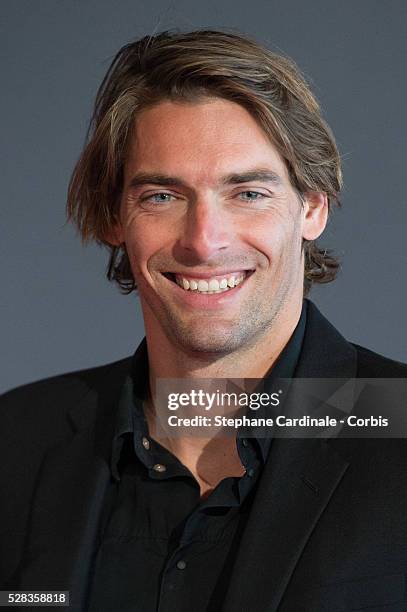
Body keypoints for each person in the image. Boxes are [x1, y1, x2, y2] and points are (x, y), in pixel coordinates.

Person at [1, 30, 407, 612]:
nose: (203, 242)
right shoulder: (18, 438)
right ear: (115, 216)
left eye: (248, 193)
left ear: (312, 207)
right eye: (162, 196)